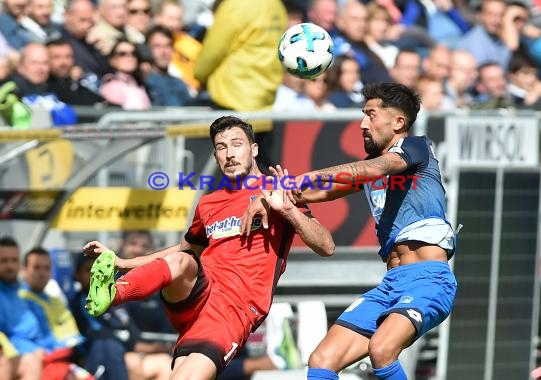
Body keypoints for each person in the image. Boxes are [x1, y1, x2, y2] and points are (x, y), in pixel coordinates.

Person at [82, 115, 335, 379]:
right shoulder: (209, 203)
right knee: (183, 260)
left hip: (234, 310)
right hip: (199, 296)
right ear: (215, 156)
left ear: (255, 149)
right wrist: (123, 262)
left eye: (237, 144)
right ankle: (112, 294)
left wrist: (288, 210)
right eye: (222, 147)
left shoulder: (278, 192)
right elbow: (183, 249)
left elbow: (326, 246)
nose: (229, 154)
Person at [241, 82, 458, 380]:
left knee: (382, 350)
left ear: (398, 122)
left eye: (370, 115)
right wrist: (271, 196)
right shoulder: (373, 166)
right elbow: (321, 192)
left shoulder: (415, 148)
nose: (362, 124)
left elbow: (371, 170)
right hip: (391, 284)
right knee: (322, 359)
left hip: (429, 281)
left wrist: (306, 176)